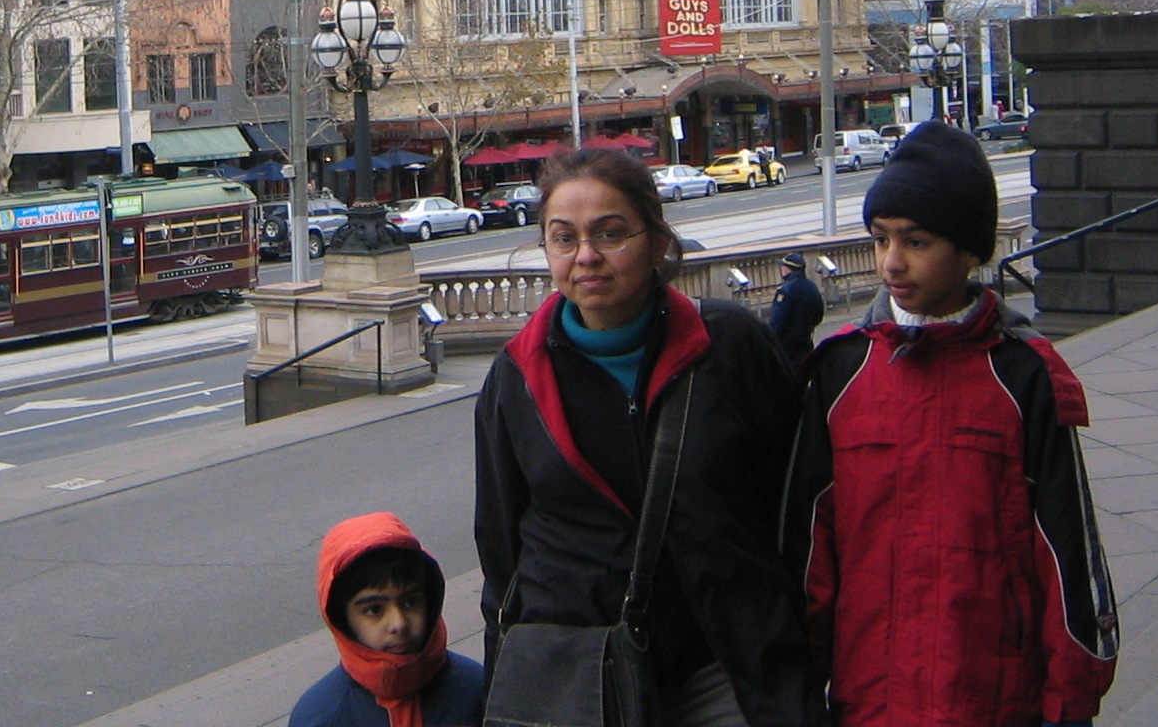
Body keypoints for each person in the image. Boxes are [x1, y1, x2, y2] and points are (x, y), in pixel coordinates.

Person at [782, 121, 1119, 727]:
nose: (892, 262)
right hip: (869, 699)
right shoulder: (839, 372)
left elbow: (1067, 551)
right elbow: (810, 551)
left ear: (969, 250)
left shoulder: (1024, 376)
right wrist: (794, 687)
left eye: (916, 242)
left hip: (991, 698)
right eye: (881, 240)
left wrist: (1071, 700)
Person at [475, 148, 821, 727]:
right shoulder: (516, 379)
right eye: (564, 238)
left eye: (610, 234)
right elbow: (500, 553)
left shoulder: (728, 346)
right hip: (585, 677)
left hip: (727, 669)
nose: (587, 257)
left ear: (657, 242)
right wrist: (505, 691)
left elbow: (794, 506)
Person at [291, 511, 485, 727]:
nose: (399, 623)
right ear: (341, 617)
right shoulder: (322, 717)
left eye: (410, 602)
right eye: (374, 610)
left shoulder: (479, 692)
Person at [766, 253, 823, 368]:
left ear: (789, 269)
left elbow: (777, 322)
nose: (781, 268)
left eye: (783, 266)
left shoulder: (785, 290)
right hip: (805, 341)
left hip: (787, 346)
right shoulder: (811, 286)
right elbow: (819, 314)